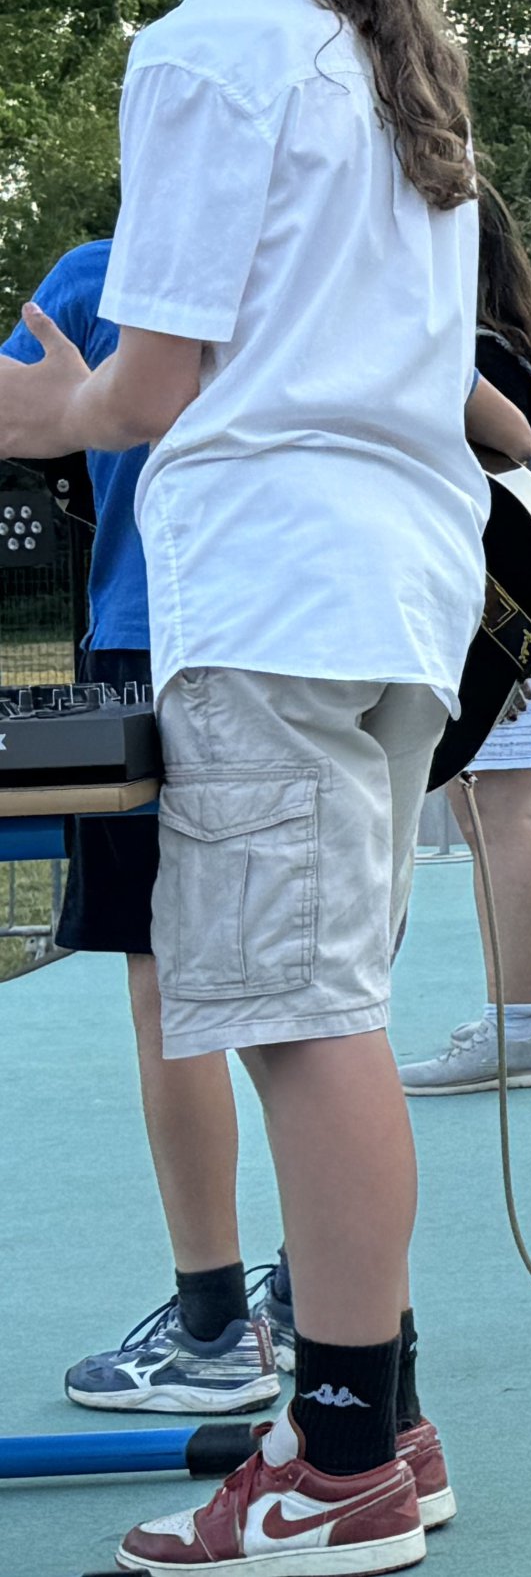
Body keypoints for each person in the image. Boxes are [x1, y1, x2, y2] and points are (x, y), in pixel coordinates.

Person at [0, 0, 482, 1573]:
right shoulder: (374, 44)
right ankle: (381, 1422)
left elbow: (146, 388)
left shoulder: (206, 49)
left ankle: (340, 1461)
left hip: (273, 594)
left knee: (302, 1024)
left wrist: (35, 411)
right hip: (389, 593)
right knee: (323, 1011)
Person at [9, 243, 301, 1419]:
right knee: (318, 991)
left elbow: (16, 413)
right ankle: (329, 1303)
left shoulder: (106, 274)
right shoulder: (329, 253)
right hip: (316, 633)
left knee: (168, 985)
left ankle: (215, 1325)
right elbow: (501, 422)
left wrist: (81, 405)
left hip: (154, 633)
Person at [398, 184, 531, 1095]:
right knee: (523, 808)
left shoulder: (474, 356)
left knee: (495, 813)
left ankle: (518, 1028)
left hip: (502, 614)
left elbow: (494, 466)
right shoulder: (515, 346)